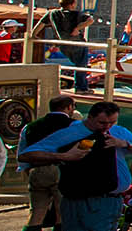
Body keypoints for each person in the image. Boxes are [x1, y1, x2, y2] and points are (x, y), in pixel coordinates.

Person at [18, 101, 132, 231]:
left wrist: (124, 143)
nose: (107, 127)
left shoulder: (118, 131)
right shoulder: (71, 132)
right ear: (90, 117)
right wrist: (64, 156)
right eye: (102, 123)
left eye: (112, 122)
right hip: (83, 199)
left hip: (112, 200)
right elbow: (26, 155)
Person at [21, 95, 78, 231]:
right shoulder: (74, 125)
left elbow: (22, 152)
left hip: (37, 170)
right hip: (62, 170)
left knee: (37, 212)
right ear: (69, 107)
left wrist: (28, 171)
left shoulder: (30, 127)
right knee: (62, 213)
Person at [48, 0, 95, 91]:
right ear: (72, 4)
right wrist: (77, 28)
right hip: (77, 43)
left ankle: (81, 86)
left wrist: (33, 35)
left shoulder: (53, 13)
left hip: (63, 44)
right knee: (81, 65)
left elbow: (41, 23)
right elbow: (90, 20)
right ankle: (81, 88)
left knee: (79, 65)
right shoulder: (76, 14)